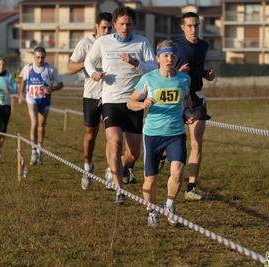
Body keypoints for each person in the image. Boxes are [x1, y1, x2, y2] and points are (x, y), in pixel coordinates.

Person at [85, 6, 157, 205]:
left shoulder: (142, 42)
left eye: (129, 24)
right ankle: (120, 189)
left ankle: (121, 165)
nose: (125, 27)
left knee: (133, 152)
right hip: (110, 99)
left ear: (134, 25)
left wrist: (136, 63)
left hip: (134, 100)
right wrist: (93, 73)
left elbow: (153, 68)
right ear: (115, 24)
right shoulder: (103, 42)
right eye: (122, 24)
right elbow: (89, 61)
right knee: (115, 142)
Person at [127, 40, 195, 226]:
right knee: (151, 179)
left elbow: (186, 100)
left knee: (178, 172)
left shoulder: (183, 79)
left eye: (173, 56)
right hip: (153, 134)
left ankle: (170, 205)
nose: (169, 59)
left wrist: (187, 111)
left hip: (176, 133)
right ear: (158, 58)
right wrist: (143, 104)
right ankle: (151, 211)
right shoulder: (148, 78)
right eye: (165, 55)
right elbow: (130, 103)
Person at [68, 12, 113, 190]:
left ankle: (111, 171)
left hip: (111, 96)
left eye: (109, 28)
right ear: (96, 26)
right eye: (104, 27)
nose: (107, 30)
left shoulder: (114, 43)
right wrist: (86, 63)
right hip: (91, 96)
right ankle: (88, 166)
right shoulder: (85, 44)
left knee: (112, 136)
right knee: (90, 135)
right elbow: (70, 68)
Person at [174, 12, 215, 200]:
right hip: (175, 97)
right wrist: (176, 72)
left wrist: (206, 74)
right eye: (190, 26)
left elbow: (199, 69)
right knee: (171, 140)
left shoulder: (204, 46)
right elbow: (162, 69)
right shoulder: (174, 46)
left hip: (196, 97)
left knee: (196, 140)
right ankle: (163, 155)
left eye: (196, 25)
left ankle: (191, 186)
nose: (194, 29)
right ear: (183, 27)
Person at [18, 46, 64, 165]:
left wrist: (52, 88)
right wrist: (21, 95)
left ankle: (39, 149)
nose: (40, 60)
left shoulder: (50, 69)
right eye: (38, 57)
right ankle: (33, 151)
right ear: (33, 56)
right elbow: (23, 81)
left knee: (41, 127)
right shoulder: (28, 68)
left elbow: (60, 84)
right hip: (32, 99)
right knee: (34, 123)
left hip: (45, 100)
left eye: (42, 57)